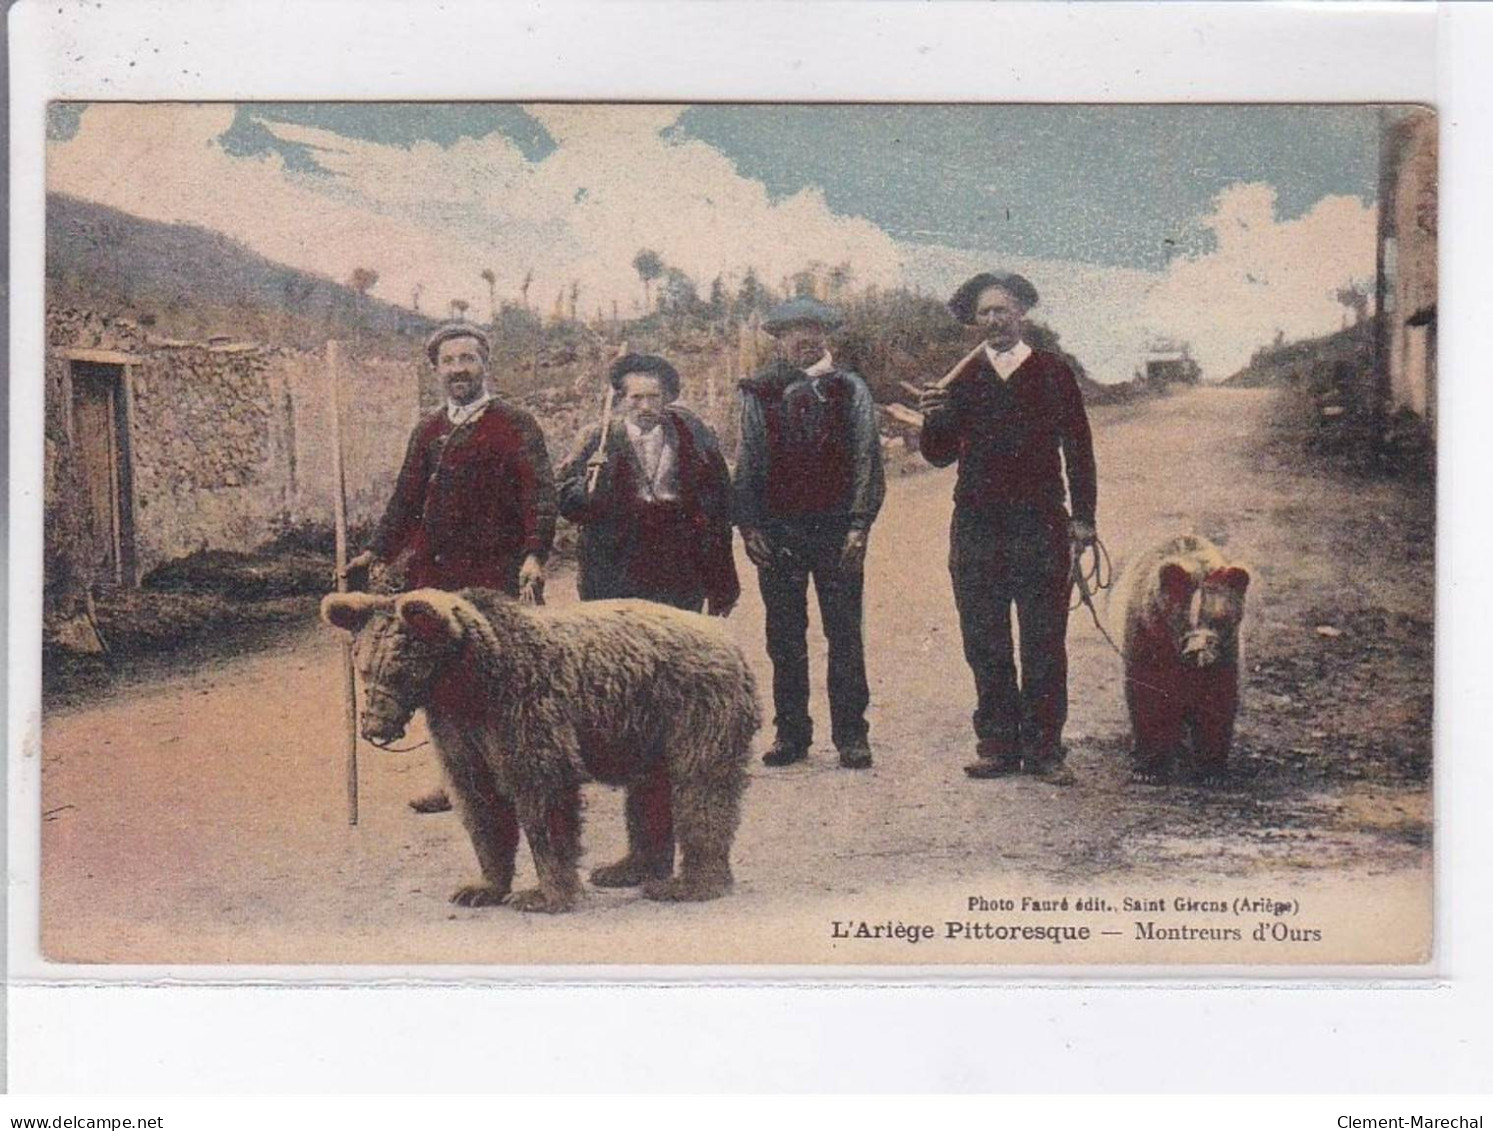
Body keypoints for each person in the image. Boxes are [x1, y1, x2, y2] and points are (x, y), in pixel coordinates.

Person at [343, 321, 557, 812]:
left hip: (495, 573)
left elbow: (539, 493)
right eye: (449, 361)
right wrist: (376, 551)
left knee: (497, 674)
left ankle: (510, 771)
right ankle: (455, 778)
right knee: (434, 677)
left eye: (467, 359)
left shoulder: (515, 423)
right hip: (434, 575)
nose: (458, 369)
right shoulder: (429, 430)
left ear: (485, 364)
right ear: (436, 370)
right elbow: (406, 498)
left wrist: (534, 554)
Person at [918, 272, 1096, 785]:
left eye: (1004, 310)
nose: (994, 320)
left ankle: (1044, 749)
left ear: (1023, 314)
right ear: (975, 321)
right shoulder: (962, 379)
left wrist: (1083, 517)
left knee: (1043, 640)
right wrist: (935, 417)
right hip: (976, 525)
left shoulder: (1053, 372)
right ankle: (997, 744)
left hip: (1040, 524)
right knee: (985, 639)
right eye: (985, 313)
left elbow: (1079, 448)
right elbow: (938, 456)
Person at [734, 297, 885, 770]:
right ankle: (791, 734)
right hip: (780, 531)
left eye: (811, 328)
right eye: (790, 331)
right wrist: (749, 524)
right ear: (778, 339)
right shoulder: (759, 392)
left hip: (837, 531)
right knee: (784, 636)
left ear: (826, 334)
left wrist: (860, 524)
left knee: (844, 634)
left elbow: (866, 458)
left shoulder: (849, 388)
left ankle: (852, 735)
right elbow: (749, 459)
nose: (801, 338)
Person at [557, 352, 739, 615]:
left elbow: (718, 511)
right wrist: (590, 485)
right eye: (636, 398)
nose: (645, 406)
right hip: (616, 567)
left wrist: (723, 583)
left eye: (653, 398)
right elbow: (568, 505)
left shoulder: (692, 437)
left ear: (666, 398)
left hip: (678, 566)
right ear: (621, 400)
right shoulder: (598, 440)